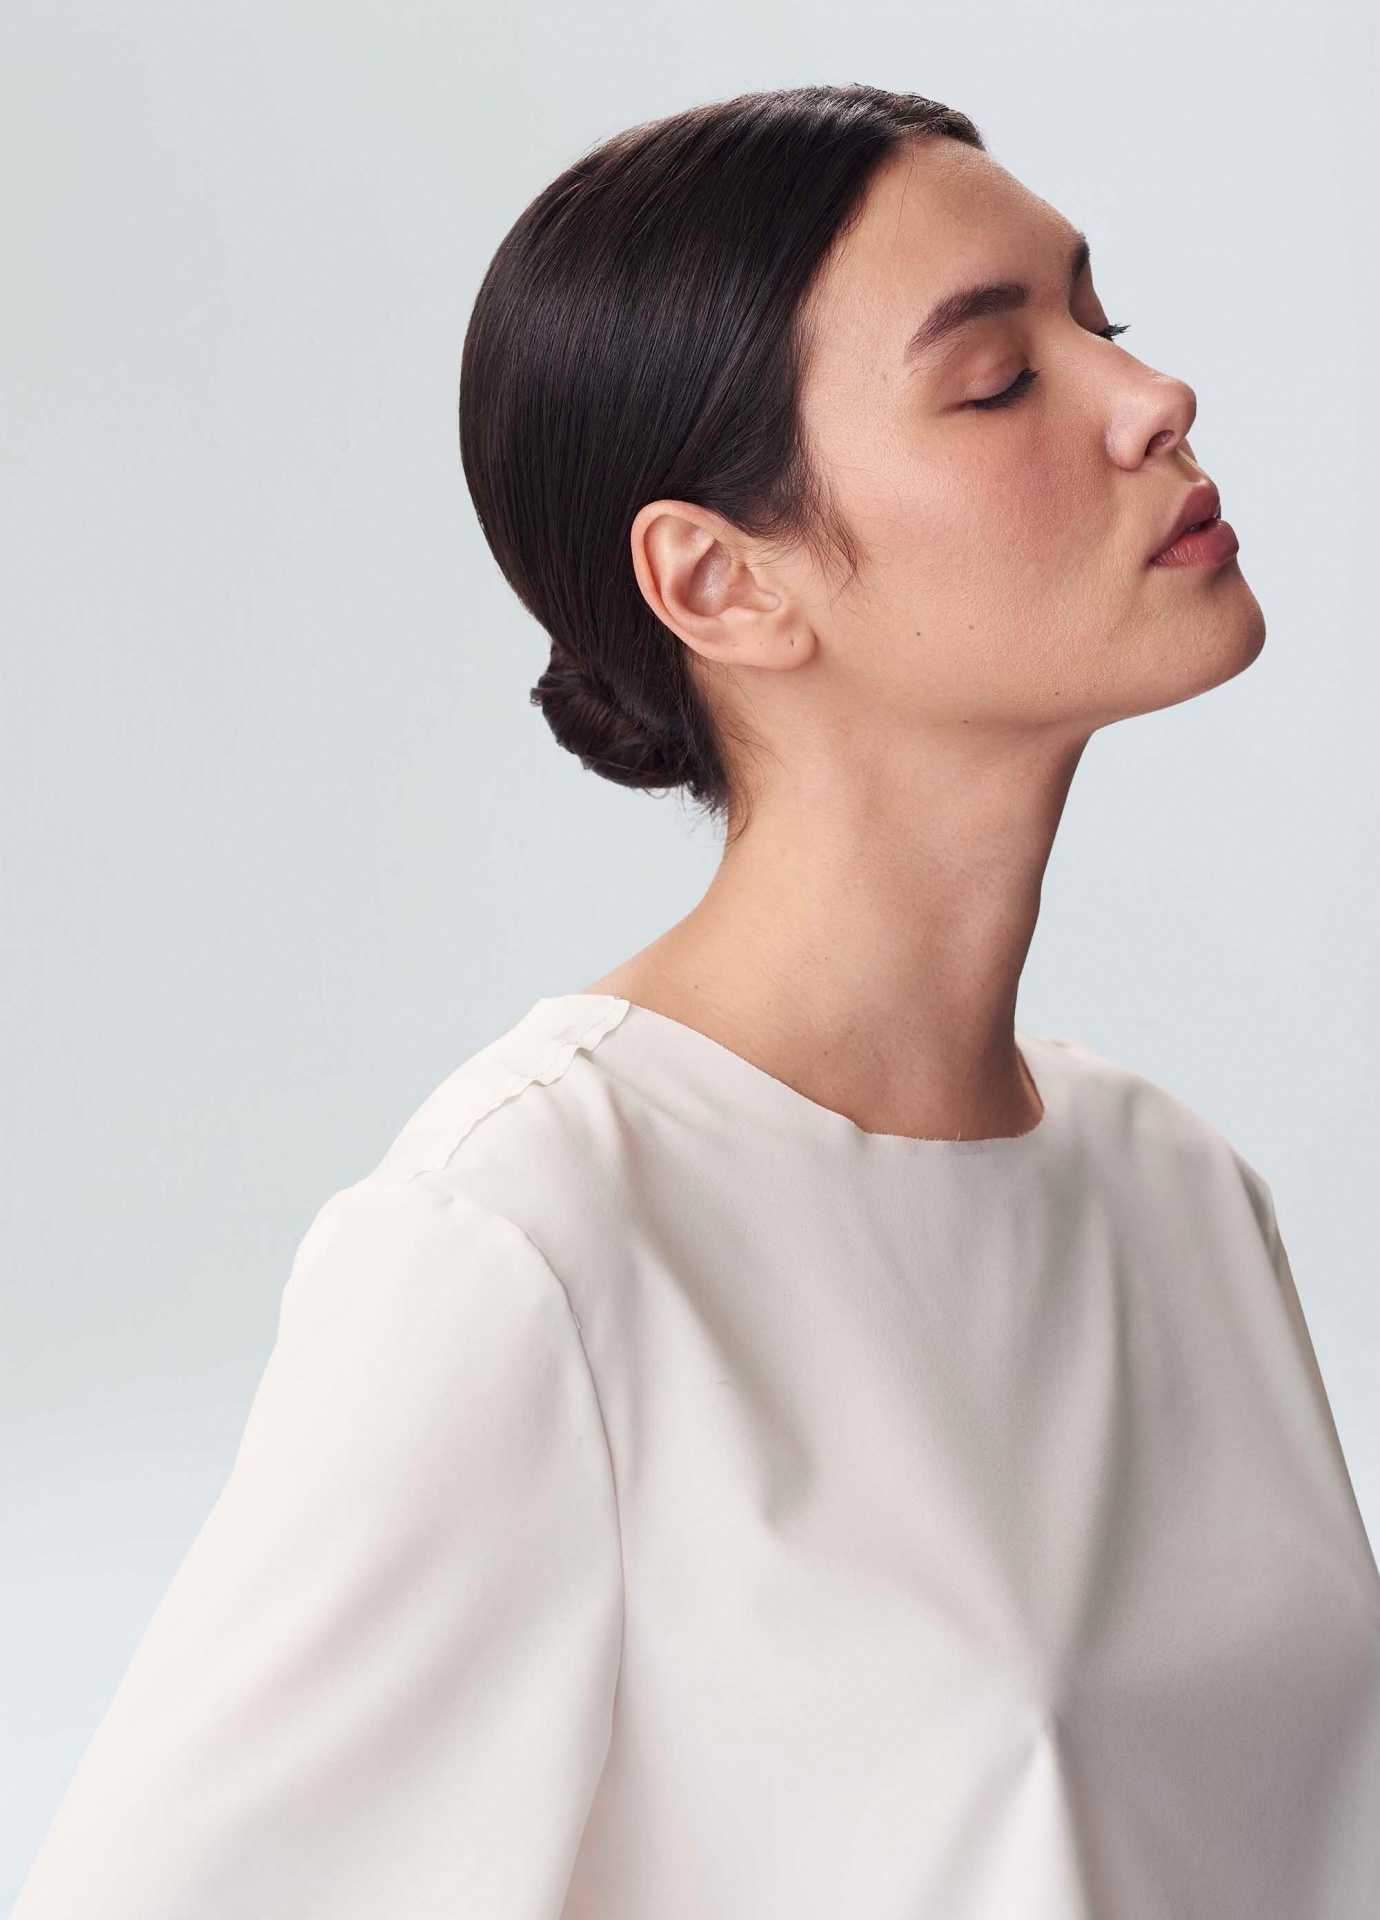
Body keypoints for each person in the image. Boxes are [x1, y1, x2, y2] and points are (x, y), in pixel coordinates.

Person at [13, 82, 1380, 1920]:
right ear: (721, 580)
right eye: (997, 380)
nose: (1153, 396)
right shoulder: (534, 1248)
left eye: (1100, 321)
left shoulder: (1177, 1194)